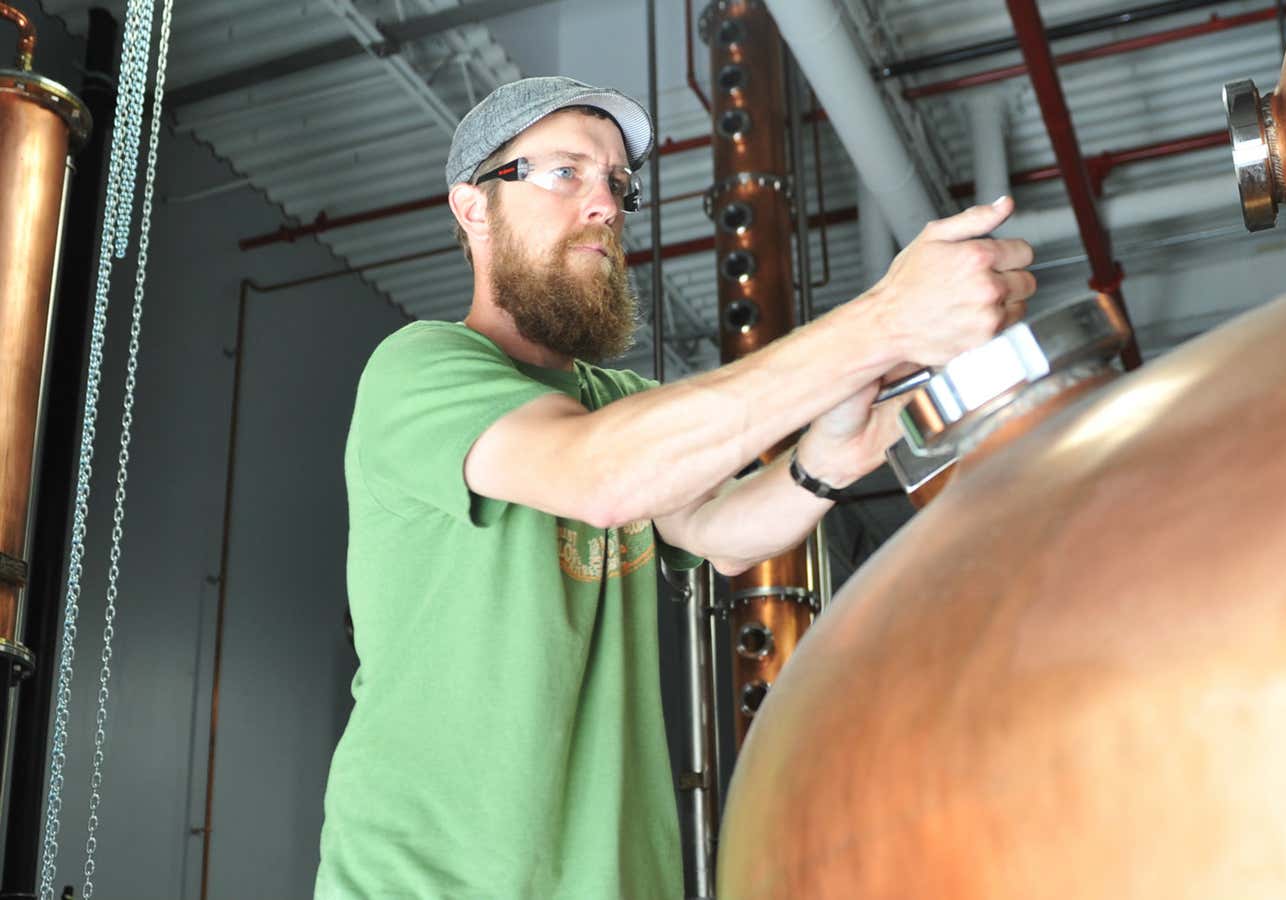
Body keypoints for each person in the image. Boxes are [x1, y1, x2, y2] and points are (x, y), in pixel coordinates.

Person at [314, 75, 1035, 898]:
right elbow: (602, 476)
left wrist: (830, 458)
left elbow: (723, 534)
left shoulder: (614, 403)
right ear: (474, 208)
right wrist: (883, 321)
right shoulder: (421, 368)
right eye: (566, 173)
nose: (607, 206)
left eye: (618, 183)